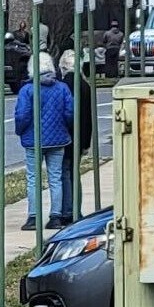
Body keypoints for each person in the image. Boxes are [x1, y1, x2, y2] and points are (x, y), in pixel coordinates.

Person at [14, 51, 73, 231]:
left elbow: (22, 115)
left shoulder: (27, 90)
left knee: (33, 178)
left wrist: (20, 131)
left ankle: (33, 216)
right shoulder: (62, 88)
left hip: (33, 140)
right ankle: (55, 216)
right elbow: (70, 113)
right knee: (55, 178)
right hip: (58, 139)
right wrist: (64, 128)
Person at [58, 49, 94, 224]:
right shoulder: (85, 85)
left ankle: (66, 210)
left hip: (64, 135)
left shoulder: (62, 86)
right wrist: (87, 142)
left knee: (64, 172)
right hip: (80, 136)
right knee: (75, 172)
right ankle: (76, 210)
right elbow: (89, 117)